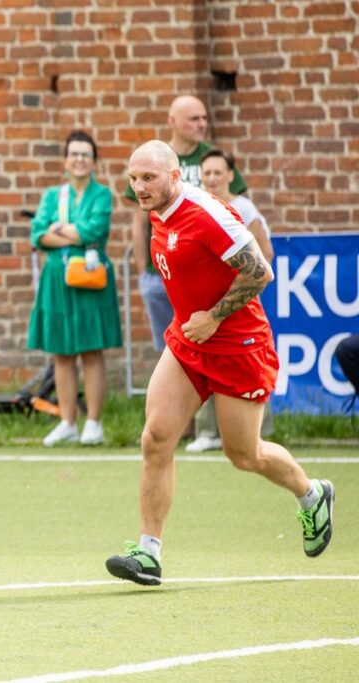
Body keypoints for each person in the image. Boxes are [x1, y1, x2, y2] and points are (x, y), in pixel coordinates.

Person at [105, 141, 335, 586]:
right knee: (155, 437)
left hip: (237, 344)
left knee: (243, 454)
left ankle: (312, 494)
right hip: (189, 341)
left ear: (175, 177)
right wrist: (197, 322)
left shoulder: (207, 214)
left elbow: (260, 272)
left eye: (148, 178)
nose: (139, 187)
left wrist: (213, 317)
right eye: (133, 178)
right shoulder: (156, 211)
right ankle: (148, 553)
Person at [125, 96, 248, 352]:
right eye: (194, 118)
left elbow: (238, 205)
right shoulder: (152, 159)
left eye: (204, 118)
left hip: (203, 270)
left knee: (210, 346)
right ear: (172, 121)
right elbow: (139, 221)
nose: (202, 124)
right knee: (170, 349)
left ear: (175, 176)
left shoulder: (212, 159)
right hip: (161, 270)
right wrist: (143, 272)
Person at [28, 131, 121, 446]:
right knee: (62, 353)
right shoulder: (52, 195)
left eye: (86, 154)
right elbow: (38, 234)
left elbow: (96, 230)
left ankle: (93, 423)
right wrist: (71, 234)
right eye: (75, 154)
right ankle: (67, 421)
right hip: (57, 277)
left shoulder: (103, 194)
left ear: (95, 161)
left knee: (92, 351)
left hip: (90, 274)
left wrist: (61, 230)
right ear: (66, 160)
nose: (80, 159)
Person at [194, 148, 276, 448]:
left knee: (248, 365)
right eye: (208, 173)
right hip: (203, 305)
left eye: (219, 172)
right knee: (202, 360)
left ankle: (257, 435)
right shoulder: (196, 206)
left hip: (237, 302)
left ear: (230, 175)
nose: (213, 178)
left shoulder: (244, 208)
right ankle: (206, 432)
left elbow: (264, 255)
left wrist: (241, 293)